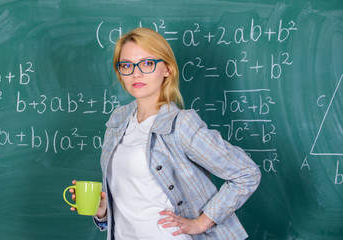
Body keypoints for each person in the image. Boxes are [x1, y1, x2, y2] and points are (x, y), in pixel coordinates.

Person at [69, 27, 261, 240]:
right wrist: (103, 210)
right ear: (120, 72)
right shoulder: (117, 120)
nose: (136, 73)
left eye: (147, 63)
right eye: (127, 65)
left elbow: (247, 173)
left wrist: (200, 223)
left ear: (167, 69)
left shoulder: (181, 124)